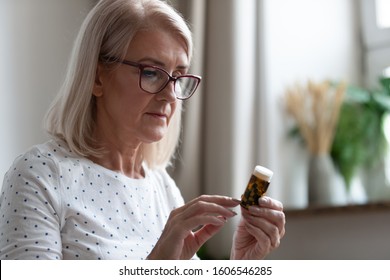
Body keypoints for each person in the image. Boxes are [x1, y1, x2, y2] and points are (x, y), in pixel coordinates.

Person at [0, 0, 285, 260]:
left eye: (178, 77)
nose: (171, 96)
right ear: (97, 76)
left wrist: (241, 263)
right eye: (151, 73)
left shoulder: (162, 189)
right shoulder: (39, 177)